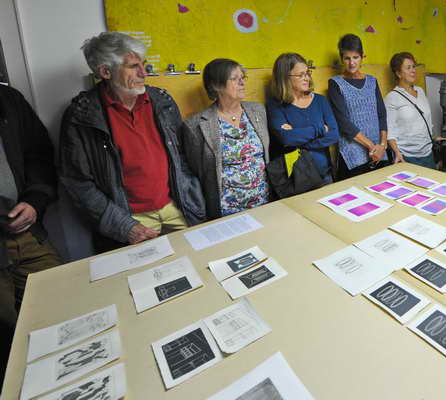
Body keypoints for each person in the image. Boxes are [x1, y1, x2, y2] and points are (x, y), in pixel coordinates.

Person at [60, 32, 205, 252]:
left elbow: (183, 156)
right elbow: (77, 182)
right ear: (105, 72)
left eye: (143, 64)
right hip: (131, 219)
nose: (144, 73)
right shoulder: (81, 116)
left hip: (177, 208)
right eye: (134, 66)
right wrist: (124, 226)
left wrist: (192, 197)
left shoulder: (162, 101)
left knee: (198, 259)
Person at [0, 84, 62, 332]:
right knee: (7, 334)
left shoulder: (8, 99)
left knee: (61, 303)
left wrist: (35, 201)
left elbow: (39, 155)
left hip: (26, 233)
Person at [184, 58, 270, 219]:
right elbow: (198, 170)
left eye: (243, 77)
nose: (242, 83)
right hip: (227, 210)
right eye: (235, 79)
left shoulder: (258, 111)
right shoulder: (196, 125)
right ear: (216, 86)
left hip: (265, 202)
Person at [266, 53, 339, 187]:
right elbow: (286, 138)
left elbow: (334, 134)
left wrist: (298, 137)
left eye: (307, 73)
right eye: (300, 75)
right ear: (285, 77)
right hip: (295, 181)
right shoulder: (275, 106)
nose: (307, 78)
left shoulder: (320, 100)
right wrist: (321, 129)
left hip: (325, 175)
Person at [328, 34, 390, 179]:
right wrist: (372, 146)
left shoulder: (372, 81)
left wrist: (382, 145)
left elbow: (381, 114)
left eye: (355, 57)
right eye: (347, 58)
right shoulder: (335, 83)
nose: (351, 63)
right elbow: (343, 123)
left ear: (362, 57)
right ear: (342, 59)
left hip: (379, 152)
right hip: (352, 153)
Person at [384, 52, 442, 169]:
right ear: (398, 73)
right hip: (407, 156)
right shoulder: (392, 98)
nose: (413, 70)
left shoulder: (420, 91)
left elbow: (424, 120)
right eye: (408, 68)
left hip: (428, 153)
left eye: (413, 67)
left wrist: (433, 138)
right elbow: (390, 132)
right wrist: (397, 153)